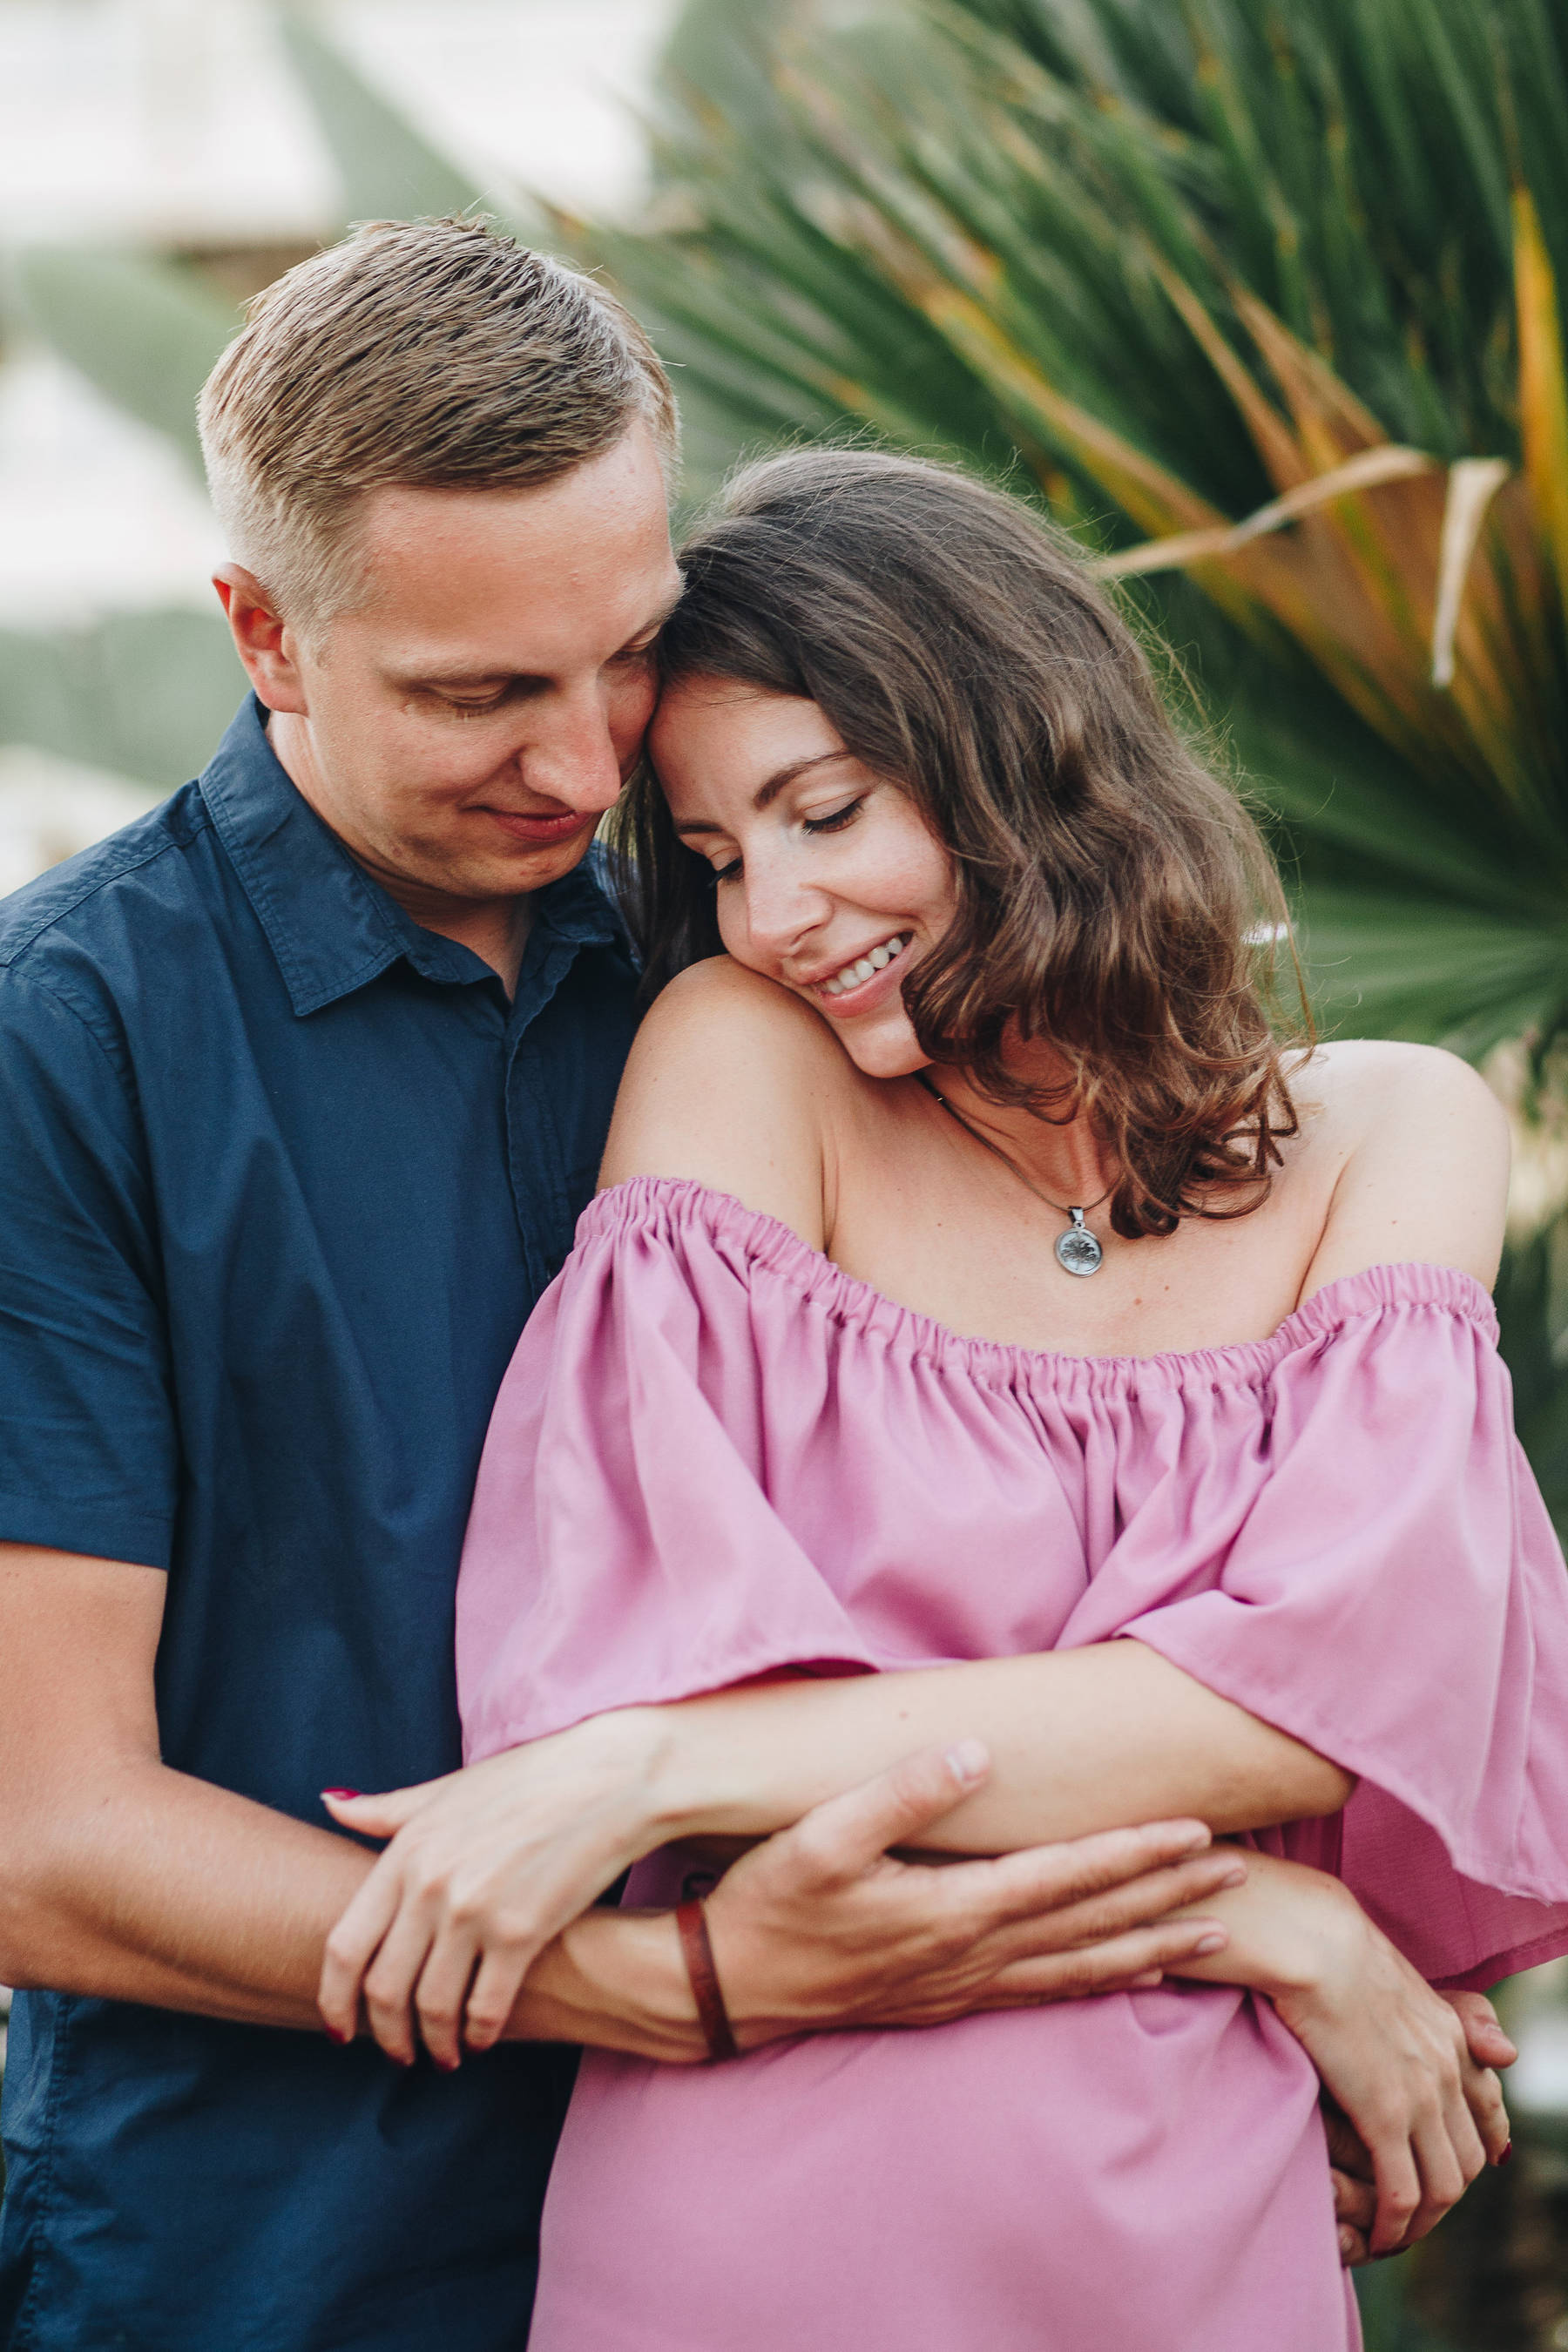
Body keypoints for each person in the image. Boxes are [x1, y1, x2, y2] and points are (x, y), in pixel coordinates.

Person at [0, 220, 1355, 2351]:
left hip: (834, 2224)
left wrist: (1287, 1924)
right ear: (264, 632)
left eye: (623, 656)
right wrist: (660, 1985)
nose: (580, 766)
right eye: (478, 694)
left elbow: (1049, 1630)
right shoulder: (64, 1043)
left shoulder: (795, 957)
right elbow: (39, 1831)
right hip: (278, 2265)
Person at [316, 449, 1568, 2350]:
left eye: (826, 810)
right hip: (766, 2203)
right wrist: (1252, 1918)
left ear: (1026, 747)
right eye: (724, 857)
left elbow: (1331, 1700)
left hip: (1202, 2212)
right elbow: (678, 1687)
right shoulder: (744, 1058)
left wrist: (644, 1775)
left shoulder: (1397, 1131)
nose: (781, 914)